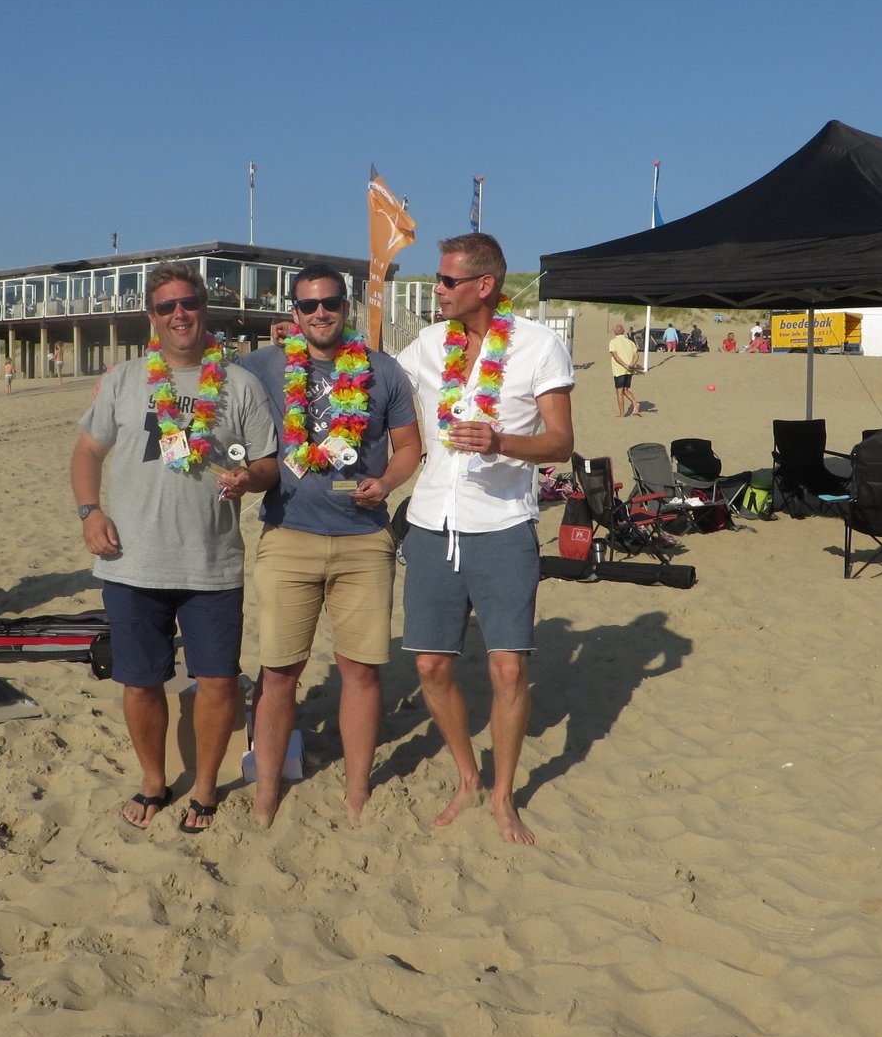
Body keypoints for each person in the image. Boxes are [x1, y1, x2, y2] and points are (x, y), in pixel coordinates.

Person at [70, 263, 278, 833]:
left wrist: (250, 478)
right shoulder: (124, 379)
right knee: (140, 681)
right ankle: (153, 780)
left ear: (204, 309)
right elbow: (87, 452)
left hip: (211, 561)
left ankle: (205, 787)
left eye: (189, 303)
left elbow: (268, 462)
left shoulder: (239, 384)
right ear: (152, 316)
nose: (179, 314)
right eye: (167, 307)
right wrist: (90, 512)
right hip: (131, 560)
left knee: (218, 681)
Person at [396, 233, 575, 845]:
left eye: (448, 280)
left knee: (508, 671)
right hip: (431, 523)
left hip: (502, 525)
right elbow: (371, 383)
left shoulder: (538, 345)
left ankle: (503, 795)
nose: (437, 289)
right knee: (430, 664)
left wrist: (501, 442)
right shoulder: (427, 345)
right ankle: (468, 776)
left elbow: (561, 443)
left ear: (485, 285)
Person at [237, 264, 422, 826]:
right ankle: (267, 790)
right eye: (308, 305)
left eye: (330, 303)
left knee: (360, 670)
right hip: (287, 536)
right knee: (278, 671)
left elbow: (409, 447)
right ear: (293, 312)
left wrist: (386, 483)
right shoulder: (262, 366)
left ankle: (358, 789)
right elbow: (202, 381)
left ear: (347, 306)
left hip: (364, 541)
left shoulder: (382, 370)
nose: (320, 313)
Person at [608, 323, 641, 418]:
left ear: (615, 332)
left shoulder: (613, 342)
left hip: (620, 370)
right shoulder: (630, 342)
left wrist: (625, 365)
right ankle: (635, 403)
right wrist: (632, 364)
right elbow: (636, 355)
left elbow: (615, 355)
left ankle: (622, 413)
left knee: (619, 391)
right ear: (623, 331)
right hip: (629, 370)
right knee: (625, 390)